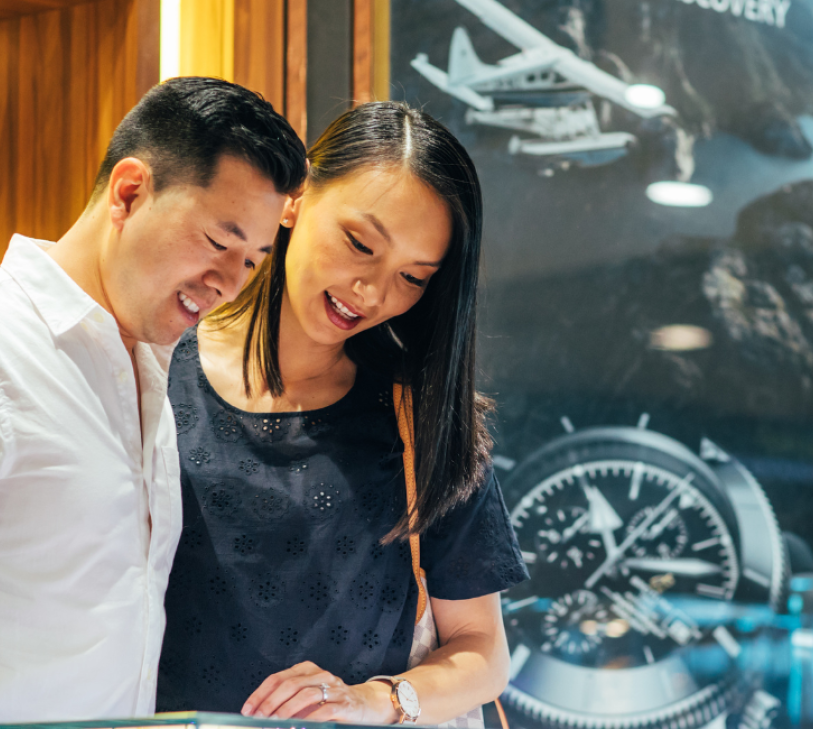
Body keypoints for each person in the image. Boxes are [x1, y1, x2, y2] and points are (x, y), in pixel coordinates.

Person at [156, 101, 528, 723]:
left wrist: (374, 701)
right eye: (360, 244)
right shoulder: (155, 370)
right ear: (296, 198)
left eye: (412, 278)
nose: (373, 292)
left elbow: (484, 650)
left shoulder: (422, 419)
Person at [0, 77, 308, 721]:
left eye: (252, 262)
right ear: (130, 192)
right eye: (219, 244)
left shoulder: (150, 364)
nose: (228, 284)